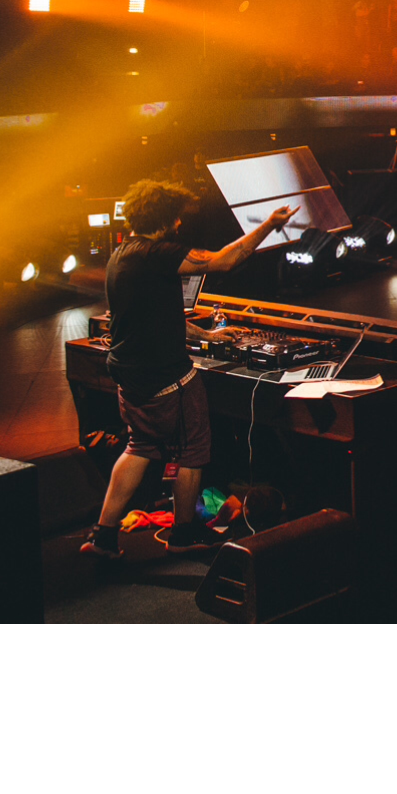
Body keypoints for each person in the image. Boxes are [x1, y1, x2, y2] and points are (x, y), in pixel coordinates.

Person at [82, 180, 294, 559]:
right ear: (165, 218)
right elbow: (226, 260)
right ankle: (183, 535)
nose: (180, 224)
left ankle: (104, 536)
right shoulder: (159, 253)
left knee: (139, 446)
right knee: (191, 452)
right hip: (167, 379)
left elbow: (157, 317)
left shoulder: (122, 254)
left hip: (130, 376)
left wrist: (209, 335)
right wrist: (269, 225)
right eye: (176, 217)